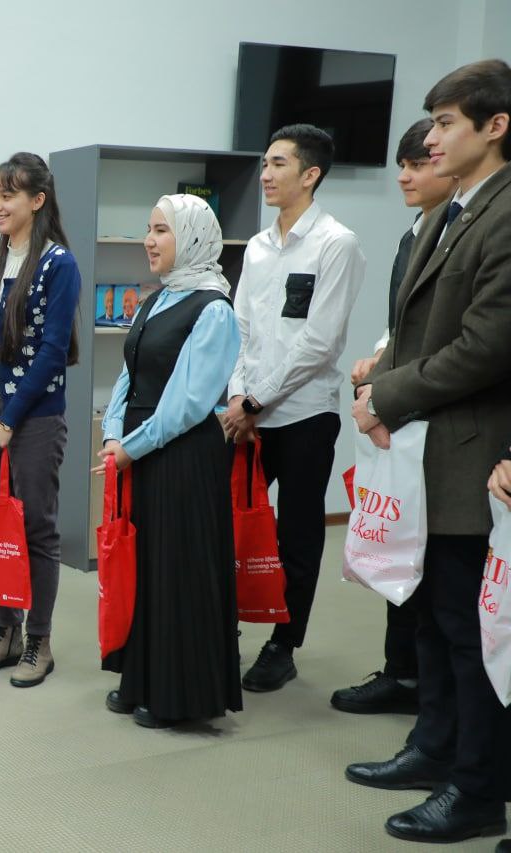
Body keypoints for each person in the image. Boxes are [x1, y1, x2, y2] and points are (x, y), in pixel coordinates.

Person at [344, 59, 511, 844]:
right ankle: (434, 748)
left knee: (469, 631)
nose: (432, 140)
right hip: (429, 448)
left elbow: (485, 347)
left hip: (472, 450)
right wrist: (386, 387)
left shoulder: (504, 213)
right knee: (436, 620)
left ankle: (476, 788)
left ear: (495, 126)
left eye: (446, 123)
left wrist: (386, 393)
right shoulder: (459, 209)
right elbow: (419, 331)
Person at [222, 124, 367, 693]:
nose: (265, 174)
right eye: (264, 163)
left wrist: (256, 399)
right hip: (247, 417)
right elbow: (240, 328)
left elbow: (320, 343)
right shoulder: (258, 246)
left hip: (304, 414)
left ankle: (283, 647)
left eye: (278, 164)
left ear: (310, 174)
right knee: (229, 524)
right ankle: (222, 628)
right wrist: (238, 397)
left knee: (298, 536)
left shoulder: (336, 243)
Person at [94, 194, 242, 727]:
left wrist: (129, 447)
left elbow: (187, 404)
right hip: (141, 451)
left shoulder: (214, 309)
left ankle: (180, 696)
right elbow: (128, 374)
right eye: (148, 228)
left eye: (162, 230)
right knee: (146, 568)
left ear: (194, 238)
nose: (149, 241)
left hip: (182, 457)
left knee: (177, 572)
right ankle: (142, 679)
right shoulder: (158, 299)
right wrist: (113, 432)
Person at [332, 119, 456, 716]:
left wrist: (387, 383)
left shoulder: (465, 231)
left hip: (441, 414)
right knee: (399, 546)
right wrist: (379, 357)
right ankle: (402, 673)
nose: (405, 175)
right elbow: (402, 324)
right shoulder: (415, 234)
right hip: (401, 405)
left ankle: (425, 692)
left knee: (436, 568)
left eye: (419, 162)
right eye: (403, 164)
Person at [0, 152, 82, 688]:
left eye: (7, 196)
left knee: (35, 528)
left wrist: (8, 420)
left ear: (37, 200)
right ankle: (6, 631)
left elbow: (53, 352)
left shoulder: (59, 264)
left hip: (33, 414)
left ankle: (39, 640)